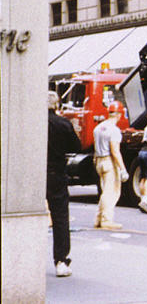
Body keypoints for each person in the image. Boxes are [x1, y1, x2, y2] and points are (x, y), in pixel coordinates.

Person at [47, 91, 81, 277]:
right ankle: (61, 260)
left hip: (34, 175)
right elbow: (76, 147)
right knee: (60, 218)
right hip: (57, 174)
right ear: (57, 105)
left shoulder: (32, 122)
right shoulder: (63, 124)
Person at [93, 100, 129, 229]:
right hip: (109, 162)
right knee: (111, 192)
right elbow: (115, 151)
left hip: (99, 160)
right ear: (119, 114)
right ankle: (106, 220)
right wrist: (123, 169)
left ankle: (99, 218)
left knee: (105, 191)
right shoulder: (114, 130)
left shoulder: (98, 128)